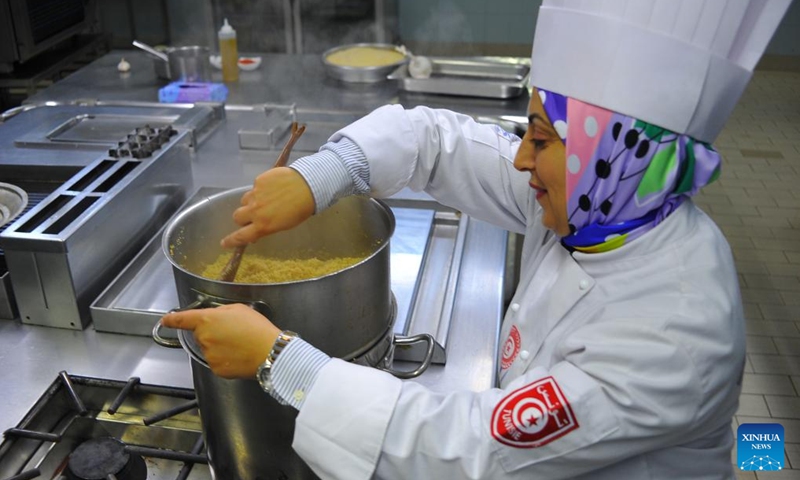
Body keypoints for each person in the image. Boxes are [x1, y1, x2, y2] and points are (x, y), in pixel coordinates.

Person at [162, 1, 791, 478]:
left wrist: (279, 361)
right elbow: (438, 141)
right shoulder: (603, 202)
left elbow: (465, 448)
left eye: (540, 138)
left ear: (612, 154)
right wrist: (320, 176)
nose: (519, 159)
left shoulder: (674, 336)